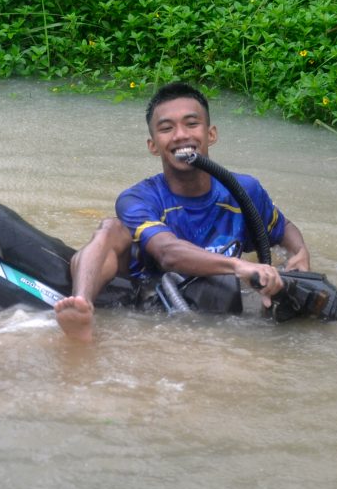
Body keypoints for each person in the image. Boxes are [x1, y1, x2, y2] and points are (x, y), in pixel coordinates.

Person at [55, 82, 310, 341]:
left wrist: (300, 253)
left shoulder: (244, 190)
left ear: (211, 134)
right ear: (153, 145)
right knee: (111, 227)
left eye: (191, 124)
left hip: (215, 308)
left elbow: (283, 228)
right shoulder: (138, 198)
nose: (180, 135)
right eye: (166, 128)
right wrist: (238, 265)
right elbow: (167, 253)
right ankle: (81, 308)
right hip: (149, 296)